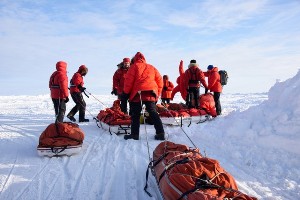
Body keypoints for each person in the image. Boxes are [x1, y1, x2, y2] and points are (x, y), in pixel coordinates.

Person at [121, 52, 165, 140]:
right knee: (153, 112)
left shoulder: (133, 67)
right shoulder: (152, 67)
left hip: (138, 94)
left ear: (134, 60)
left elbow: (128, 82)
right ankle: (160, 133)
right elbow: (160, 81)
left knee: (135, 114)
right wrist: (157, 94)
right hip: (151, 93)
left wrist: (125, 94)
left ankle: (135, 134)